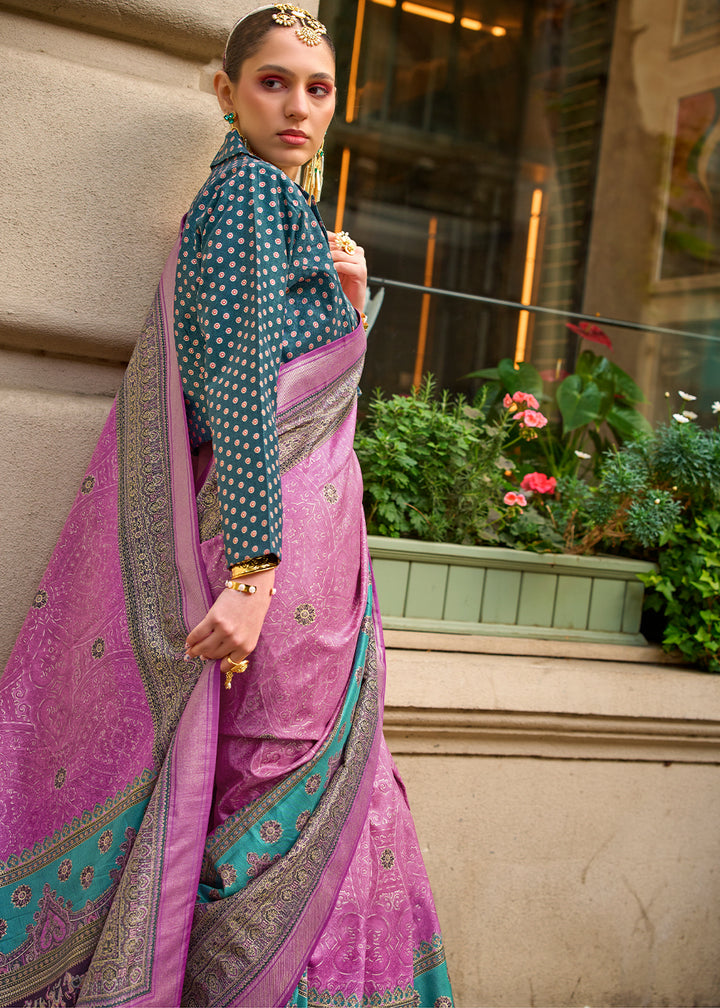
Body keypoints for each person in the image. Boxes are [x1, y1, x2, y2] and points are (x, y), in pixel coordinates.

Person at [0, 5, 454, 1006]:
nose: (297, 105)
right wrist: (252, 573)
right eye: (273, 81)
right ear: (226, 89)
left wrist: (343, 298)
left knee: (277, 796)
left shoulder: (273, 209)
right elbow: (242, 394)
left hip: (311, 547)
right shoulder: (248, 197)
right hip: (280, 554)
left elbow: (298, 386)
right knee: (272, 794)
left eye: (318, 87)